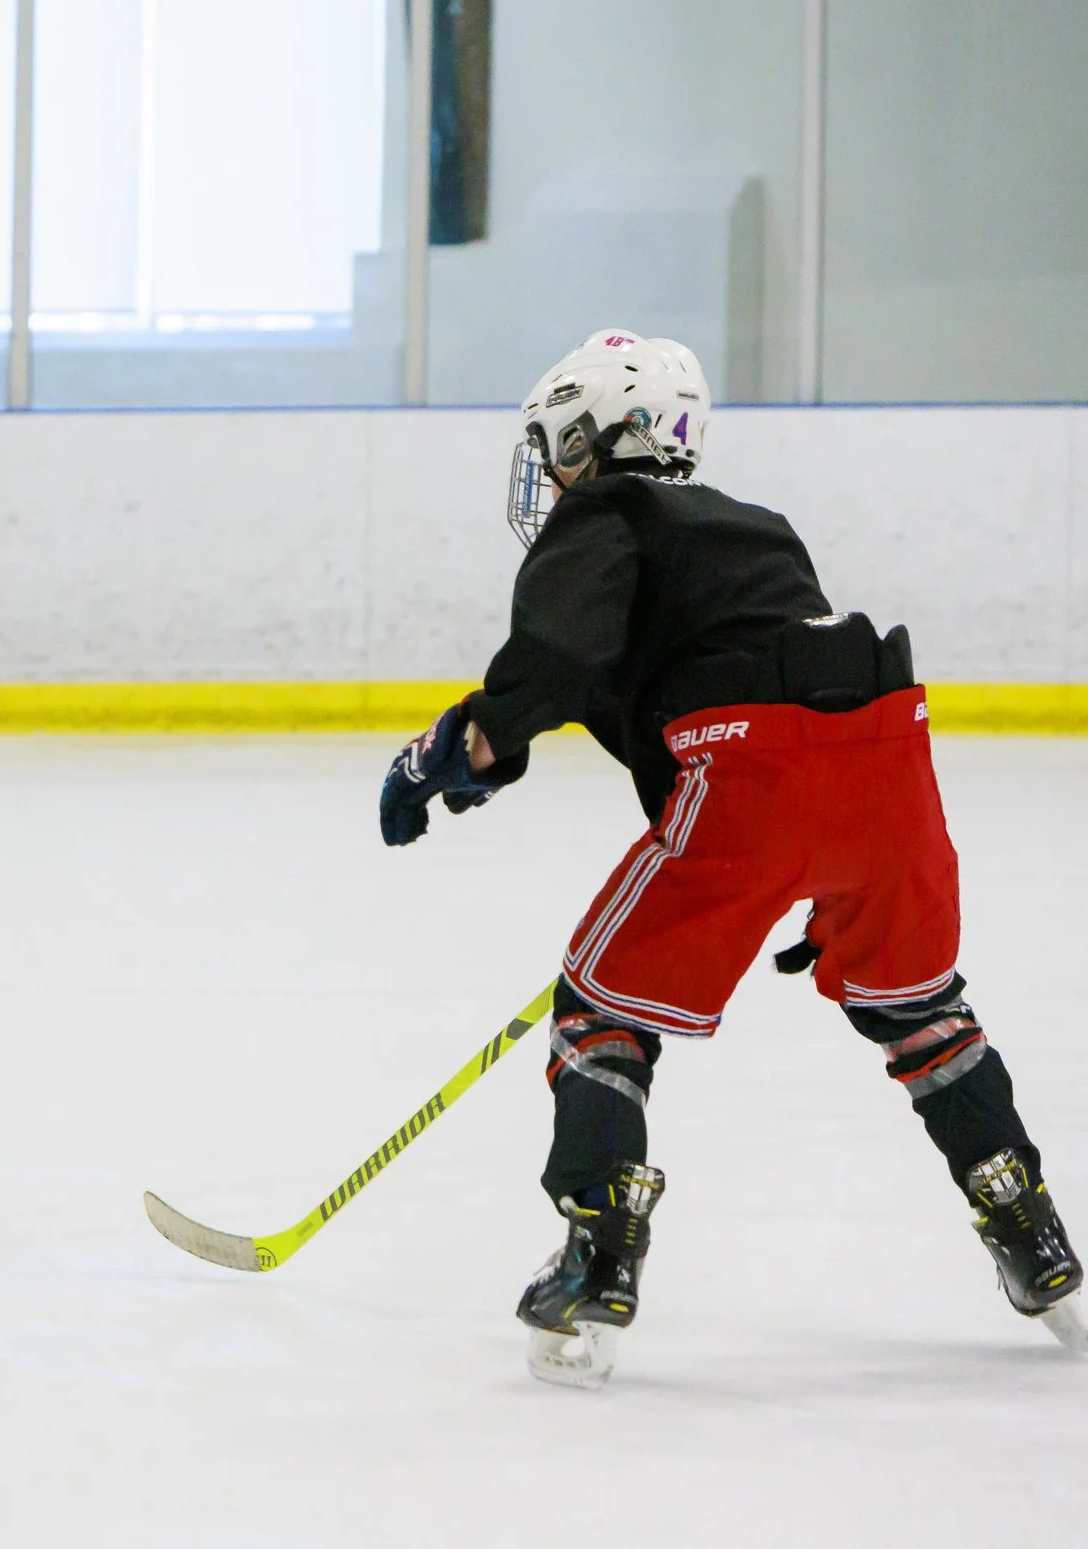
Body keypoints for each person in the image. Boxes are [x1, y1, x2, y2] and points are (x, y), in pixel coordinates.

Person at [378, 328, 1082, 1386]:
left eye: (560, 441)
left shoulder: (602, 514)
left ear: (596, 433)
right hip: (888, 760)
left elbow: (564, 661)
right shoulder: (756, 527)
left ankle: (598, 1249)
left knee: (601, 1010)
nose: (552, 466)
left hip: (753, 771)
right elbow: (732, 672)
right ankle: (1030, 1231)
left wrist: (452, 746)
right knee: (919, 1008)